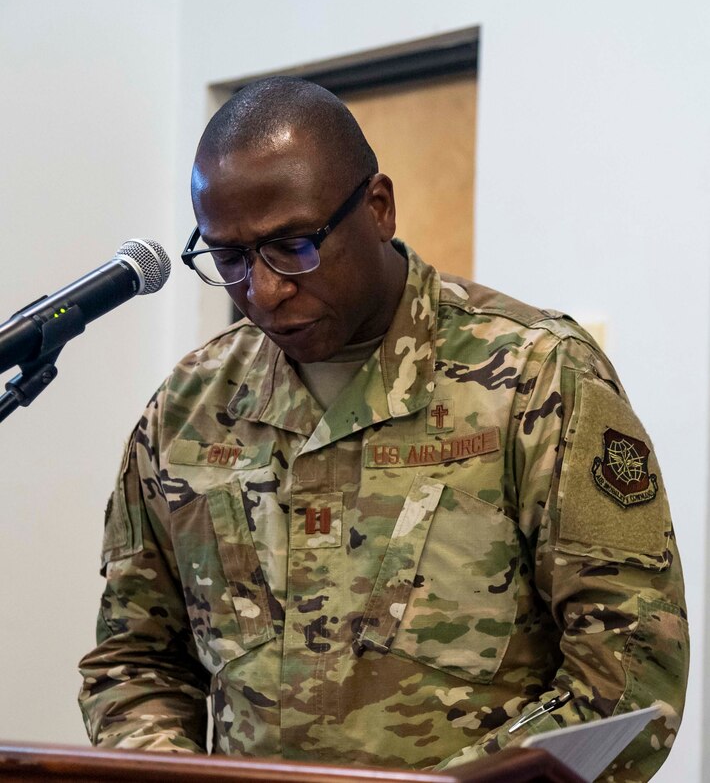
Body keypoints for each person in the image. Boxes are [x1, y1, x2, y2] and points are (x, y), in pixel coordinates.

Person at [79, 77, 689, 779]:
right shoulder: (187, 409)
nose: (265, 289)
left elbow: (629, 674)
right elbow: (135, 662)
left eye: (294, 245)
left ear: (378, 208)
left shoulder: (536, 377)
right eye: (231, 258)